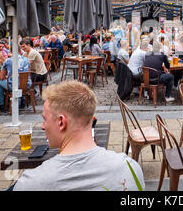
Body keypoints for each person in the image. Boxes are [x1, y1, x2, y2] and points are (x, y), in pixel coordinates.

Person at [12, 80, 144, 191]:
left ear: (61, 122)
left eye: (45, 119)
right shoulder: (130, 170)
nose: (42, 126)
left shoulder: (31, 184)